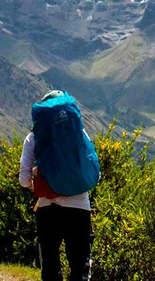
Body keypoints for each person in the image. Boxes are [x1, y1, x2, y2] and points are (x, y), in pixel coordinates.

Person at [19, 90, 94, 281]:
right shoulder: (79, 132)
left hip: (47, 209)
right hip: (79, 207)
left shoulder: (33, 137)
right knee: (80, 266)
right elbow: (94, 172)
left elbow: (23, 180)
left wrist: (37, 183)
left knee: (50, 266)